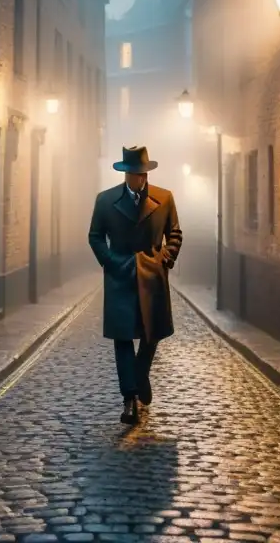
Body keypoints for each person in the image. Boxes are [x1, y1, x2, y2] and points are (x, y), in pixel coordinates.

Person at [88, 145, 183, 425]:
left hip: (152, 274)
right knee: (123, 336)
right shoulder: (105, 201)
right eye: (131, 174)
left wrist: (164, 258)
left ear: (146, 174)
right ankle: (129, 399)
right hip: (120, 276)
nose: (137, 179)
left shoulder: (164, 198)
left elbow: (174, 233)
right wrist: (112, 261)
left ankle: (140, 375)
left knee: (151, 333)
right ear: (125, 174)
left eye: (140, 174)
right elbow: (95, 236)